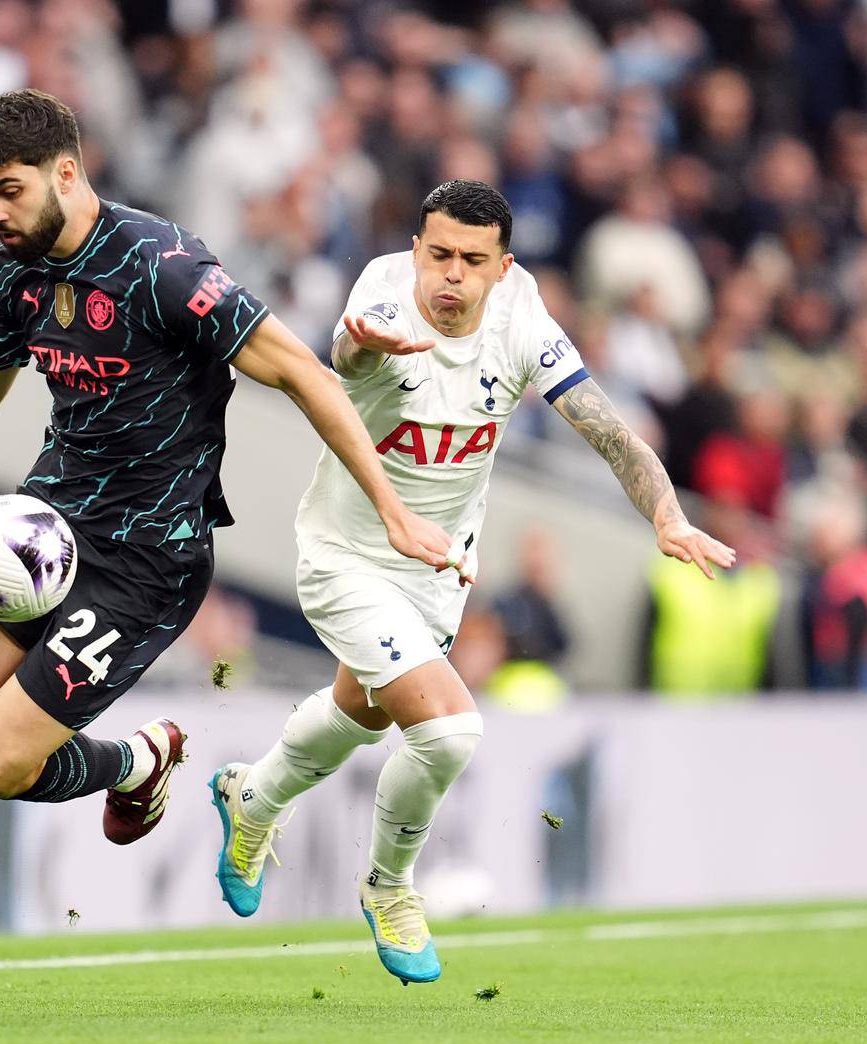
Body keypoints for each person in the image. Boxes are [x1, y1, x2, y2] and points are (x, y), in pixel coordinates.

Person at [0, 90, 456, 1006]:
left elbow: (301, 371)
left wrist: (389, 509)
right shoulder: (16, 276)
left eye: (10, 191)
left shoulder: (166, 267)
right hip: (41, 532)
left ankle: (137, 761)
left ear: (68, 171)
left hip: (148, 560)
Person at [209, 180, 735, 986]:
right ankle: (389, 887)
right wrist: (358, 349)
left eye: (472, 261)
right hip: (347, 552)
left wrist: (664, 515)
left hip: (438, 566)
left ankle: (252, 798)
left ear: (504, 266)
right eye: (439, 254)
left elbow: (608, 430)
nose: (450, 276)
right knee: (449, 731)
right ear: (417, 248)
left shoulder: (524, 318)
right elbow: (346, 356)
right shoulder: (384, 295)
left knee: (362, 710)